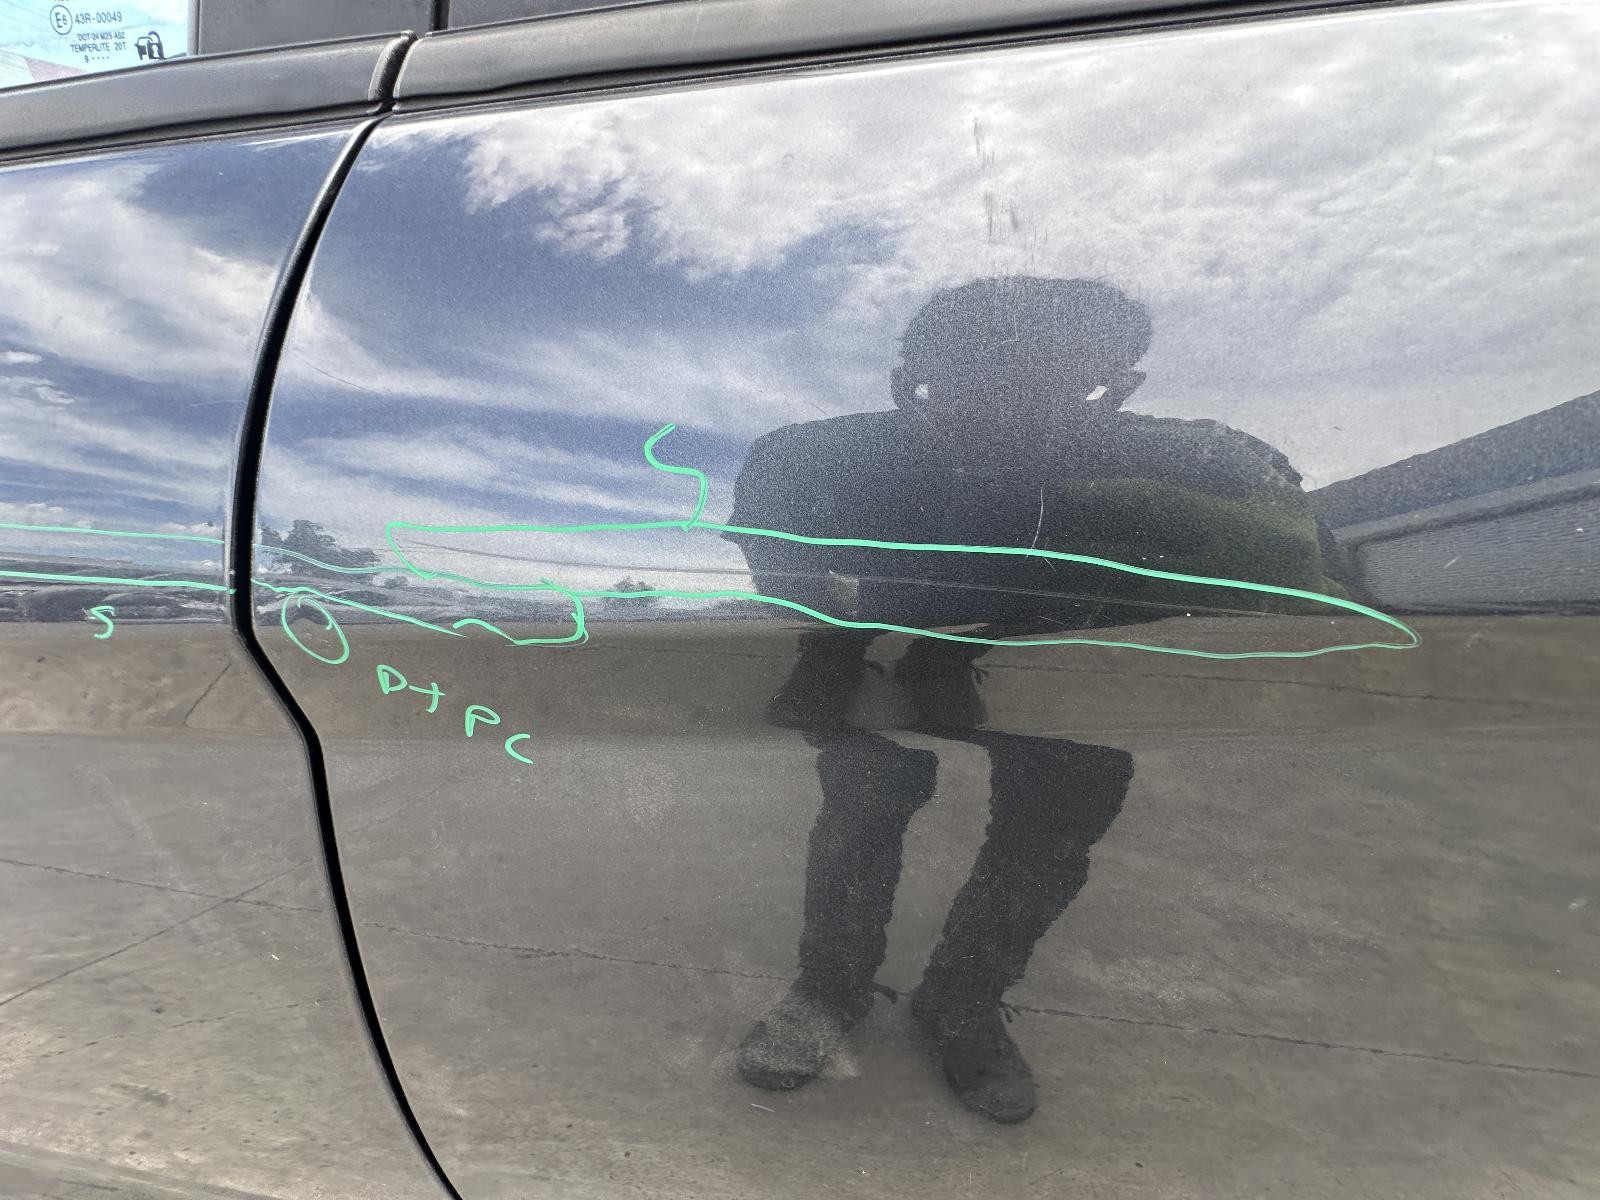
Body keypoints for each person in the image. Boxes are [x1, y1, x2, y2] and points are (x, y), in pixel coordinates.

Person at [725, 276, 1336, 1123]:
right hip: (889, 663)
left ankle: (961, 1000)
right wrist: (841, 645)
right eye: (971, 383)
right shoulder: (821, 458)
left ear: (1117, 386)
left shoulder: (1188, 463)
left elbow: (1282, 579)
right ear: (912, 383)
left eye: (1053, 384)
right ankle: (830, 988)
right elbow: (779, 564)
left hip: (1075, 676)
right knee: (862, 813)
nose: (1007, 414)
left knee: (1044, 840)